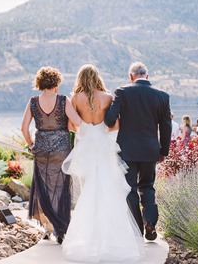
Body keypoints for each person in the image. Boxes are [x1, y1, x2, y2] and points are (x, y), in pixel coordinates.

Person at [61, 64, 144, 262]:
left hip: (85, 148)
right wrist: (100, 131)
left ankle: (88, 238)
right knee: (107, 190)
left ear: (81, 78)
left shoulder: (76, 98)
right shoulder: (107, 98)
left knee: (87, 190)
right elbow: (114, 124)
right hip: (103, 147)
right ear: (97, 77)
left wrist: (85, 130)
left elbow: (71, 125)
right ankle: (112, 239)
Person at [105, 62, 172, 241]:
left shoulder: (122, 92)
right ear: (147, 77)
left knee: (130, 189)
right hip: (150, 150)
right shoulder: (162, 96)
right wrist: (163, 150)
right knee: (147, 186)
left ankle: (137, 230)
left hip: (127, 151)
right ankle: (150, 221)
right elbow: (166, 127)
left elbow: (110, 120)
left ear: (131, 76)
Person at [21, 66, 82, 244]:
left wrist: (31, 145)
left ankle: (48, 228)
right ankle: (61, 230)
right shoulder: (63, 100)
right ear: (56, 83)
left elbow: (24, 128)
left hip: (41, 149)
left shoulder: (33, 101)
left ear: (40, 83)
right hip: (61, 149)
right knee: (61, 188)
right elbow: (77, 123)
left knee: (44, 188)